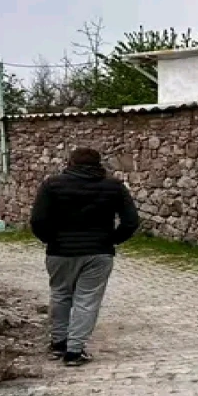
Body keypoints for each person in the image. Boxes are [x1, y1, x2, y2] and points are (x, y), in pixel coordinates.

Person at [30, 147, 140, 366]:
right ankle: (75, 350)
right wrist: (112, 239)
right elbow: (131, 221)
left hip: (60, 251)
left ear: (70, 163)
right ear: (99, 164)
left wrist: (50, 239)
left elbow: (38, 220)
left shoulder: (52, 185)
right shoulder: (114, 187)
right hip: (98, 252)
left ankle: (58, 342)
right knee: (87, 300)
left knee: (60, 295)